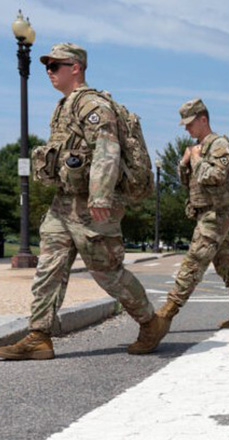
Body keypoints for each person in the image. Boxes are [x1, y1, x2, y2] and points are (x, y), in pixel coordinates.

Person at [0, 43, 166, 360]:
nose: (49, 71)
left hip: (92, 203)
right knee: (49, 268)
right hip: (64, 203)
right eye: (47, 66)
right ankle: (39, 336)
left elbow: (107, 149)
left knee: (107, 273)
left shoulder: (91, 104)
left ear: (75, 67)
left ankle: (150, 322)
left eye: (55, 66)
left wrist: (101, 194)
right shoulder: (63, 106)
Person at [155, 99, 229, 330]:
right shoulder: (197, 148)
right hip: (204, 214)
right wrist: (184, 163)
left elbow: (217, 176)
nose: (187, 129)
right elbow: (188, 183)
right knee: (226, 264)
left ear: (203, 119)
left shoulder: (219, 145)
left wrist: (197, 160)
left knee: (194, 261)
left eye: (190, 124)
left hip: (216, 214)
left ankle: (166, 314)